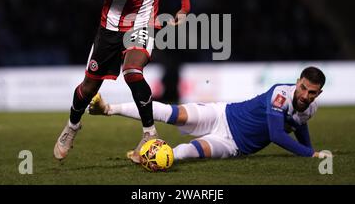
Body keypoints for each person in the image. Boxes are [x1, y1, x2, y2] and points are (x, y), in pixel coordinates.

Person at [53, 0, 190, 163]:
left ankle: (149, 133)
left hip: (142, 24)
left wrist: (185, 7)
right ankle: (72, 126)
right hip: (111, 26)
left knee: (133, 72)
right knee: (89, 87)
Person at [88, 66, 327, 160]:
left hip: (234, 145)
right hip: (223, 114)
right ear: (298, 82)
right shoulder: (281, 94)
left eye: (312, 92)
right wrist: (310, 154)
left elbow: (300, 124)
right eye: (303, 88)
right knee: (174, 114)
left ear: (319, 93)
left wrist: (310, 150)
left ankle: (147, 157)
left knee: (192, 152)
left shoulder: (310, 108)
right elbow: (277, 134)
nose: (305, 95)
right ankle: (108, 109)